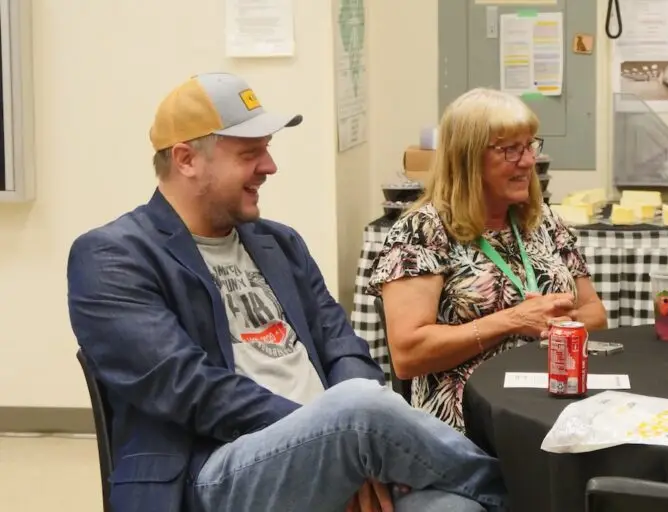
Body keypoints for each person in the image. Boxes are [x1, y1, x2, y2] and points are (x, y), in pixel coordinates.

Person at [66, 73, 509, 512]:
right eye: (249, 153)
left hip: (337, 444)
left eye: (267, 150)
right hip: (210, 473)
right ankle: (540, 495)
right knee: (360, 409)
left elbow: (343, 347)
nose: (269, 167)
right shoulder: (112, 257)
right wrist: (330, 432)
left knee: (456, 508)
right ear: (186, 159)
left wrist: (342, 448)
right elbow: (190, 388)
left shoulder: (279, 243)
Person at [366, 88, 607, 433]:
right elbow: (408, 354)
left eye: (529, 146)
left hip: (554, 411)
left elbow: (595, 315)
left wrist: (551, 324)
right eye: (510, 149)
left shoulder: (543, 222)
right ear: (467, 158)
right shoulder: (423, 230)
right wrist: (513, 320)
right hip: (471, 430)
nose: (527, 162)